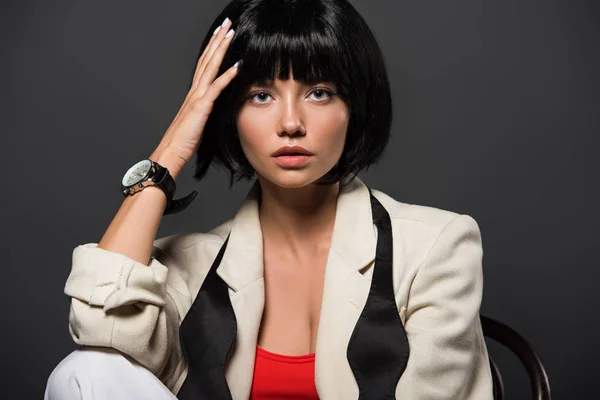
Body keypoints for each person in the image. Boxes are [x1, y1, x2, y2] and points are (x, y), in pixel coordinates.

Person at [45, 0, 493, 399]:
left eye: (319, 93)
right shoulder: (188, 267)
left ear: (355, 106)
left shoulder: (436, 247)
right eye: (261, 96)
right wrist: (171, 150)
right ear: (228, 114)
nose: (291, 123)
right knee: (86, 369)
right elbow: (98, 334)